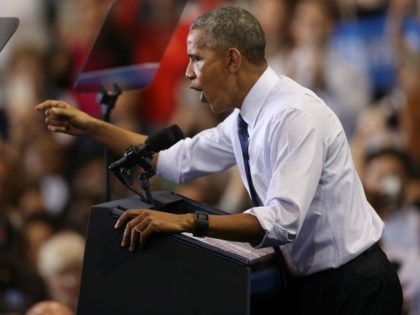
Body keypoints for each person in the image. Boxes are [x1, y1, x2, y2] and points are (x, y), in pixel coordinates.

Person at [36, 5, 402, 315]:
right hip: (311, 286)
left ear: (231, 59)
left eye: (196, 58)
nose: (187, 72)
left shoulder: (292, 116)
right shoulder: (244, 119)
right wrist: (91, 128)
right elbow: (175, 160)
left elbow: (280, 221)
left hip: (354, 287)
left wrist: (181, 222)